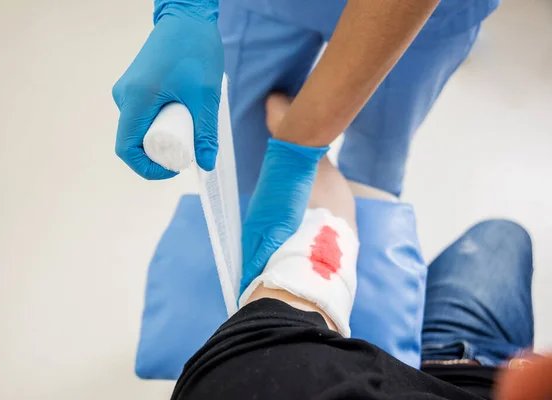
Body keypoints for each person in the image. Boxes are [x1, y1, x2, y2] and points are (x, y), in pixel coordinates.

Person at [112, 0, 500, 293]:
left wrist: (299, 148)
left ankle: (335, 281)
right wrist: (184, 7)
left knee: (372, 171)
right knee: (246, 169)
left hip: (412, 17)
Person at [169, 94, 537, 400]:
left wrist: (303, 154)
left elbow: (295, 304)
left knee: (500, 237)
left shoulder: (256, 377)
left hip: (445, 368)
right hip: (471, 372)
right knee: (504, 236)